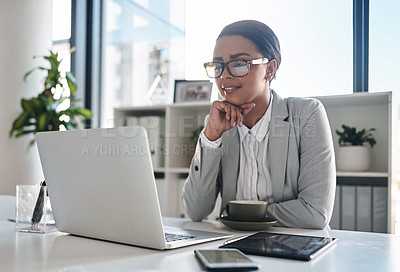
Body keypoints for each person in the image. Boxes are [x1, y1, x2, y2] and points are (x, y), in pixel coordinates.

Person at [182, 20, 336, 229]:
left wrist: (238, 214)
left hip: (295, 246)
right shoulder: (219, 125)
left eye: (239, 64)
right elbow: (196, 211)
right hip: (233, 246)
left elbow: (315, 212)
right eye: (218, 65)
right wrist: (211, 139)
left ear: (269, 69)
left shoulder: (306, 114)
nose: (225, 75)